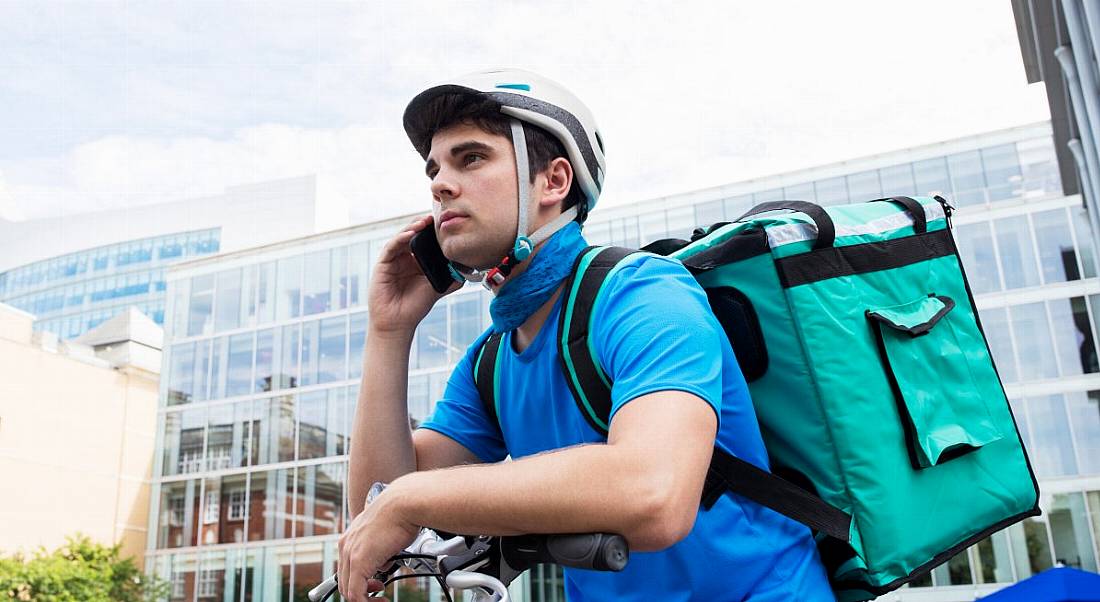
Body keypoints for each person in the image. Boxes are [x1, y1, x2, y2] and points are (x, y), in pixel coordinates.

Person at [338, 68, 834, 601]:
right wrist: (389, 330)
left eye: (472, 158)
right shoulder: (492, 359)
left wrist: (412, 498)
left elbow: (655, 495)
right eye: (434, 169)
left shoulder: (642, 293)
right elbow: (378, 507)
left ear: (554, 181)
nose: (438, 184)